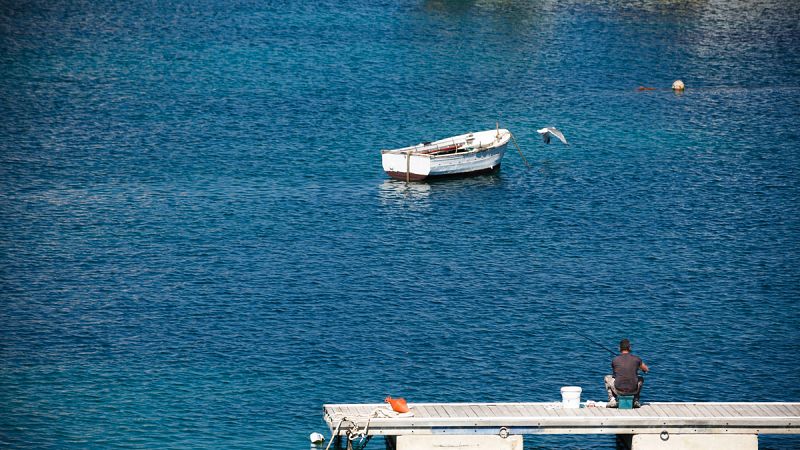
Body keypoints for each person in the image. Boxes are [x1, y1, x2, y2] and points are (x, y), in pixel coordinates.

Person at [604, 338, 649, 408]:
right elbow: (646, 369)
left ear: (619, 348)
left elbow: (615, 375)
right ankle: (635, 400)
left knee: (607, 378)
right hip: (633, 390)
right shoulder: (637, 359)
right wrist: (638, 367)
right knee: (641, 378)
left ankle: (612, 399)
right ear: (630, 348)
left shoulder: (615, 360)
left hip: (618, 390)